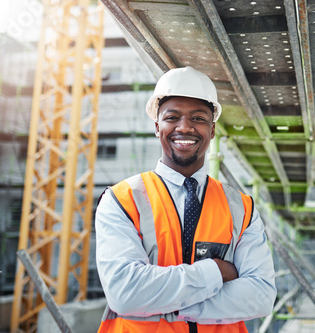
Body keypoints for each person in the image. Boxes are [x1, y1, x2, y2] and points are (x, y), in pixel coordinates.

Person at [95, 66, 277, 332]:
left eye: (198, 118)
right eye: (172, 117)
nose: (184, 127)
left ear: (212, 130)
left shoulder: (241, 208)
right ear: (157, 127)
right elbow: (125, 293)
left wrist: (171, 307)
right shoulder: (121, 200)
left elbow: (260, 296)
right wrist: (216, 271)